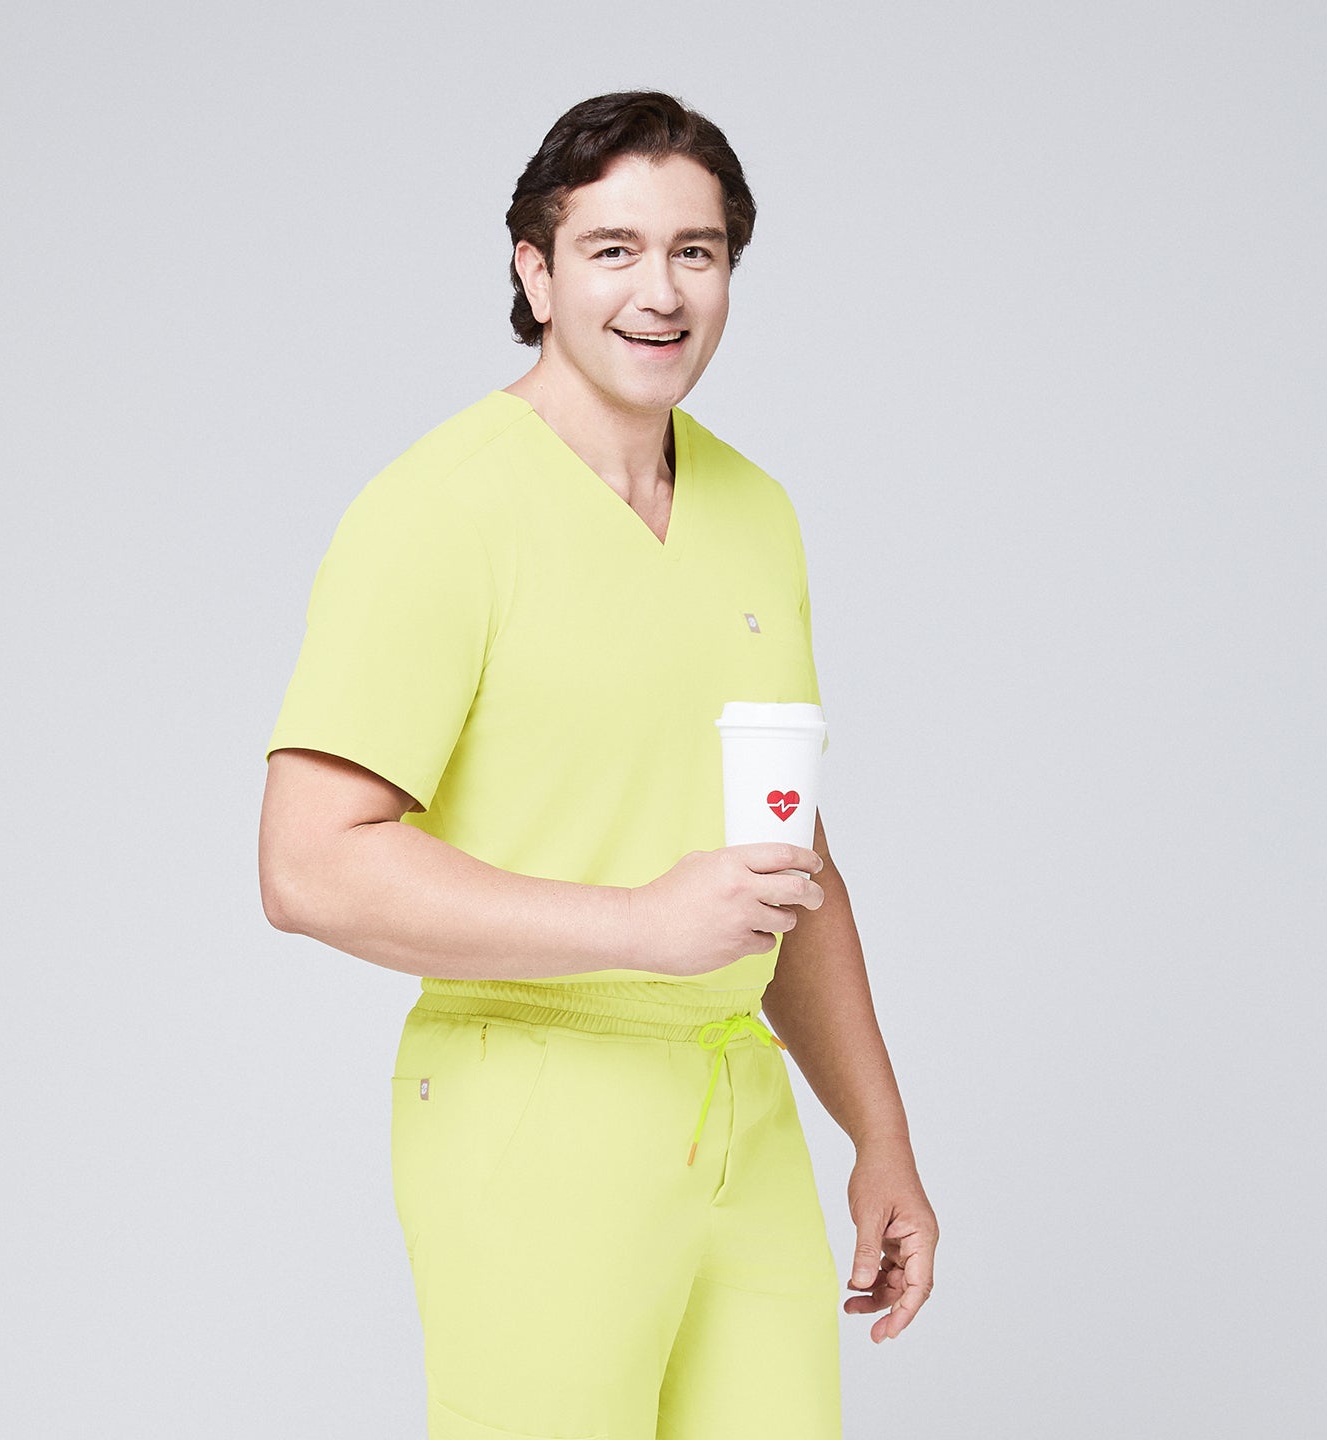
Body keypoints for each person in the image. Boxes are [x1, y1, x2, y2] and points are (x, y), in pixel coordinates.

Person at [259, 90, 937, 1440]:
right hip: (534, 1101)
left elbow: (790, 853)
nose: (661, 291)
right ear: (536, 272)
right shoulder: (442, 510)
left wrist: (881, 1136)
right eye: (612, 249)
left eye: (696, 251)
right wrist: (640, 925)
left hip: (737, 1111)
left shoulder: (756, 511)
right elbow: (305, 864)